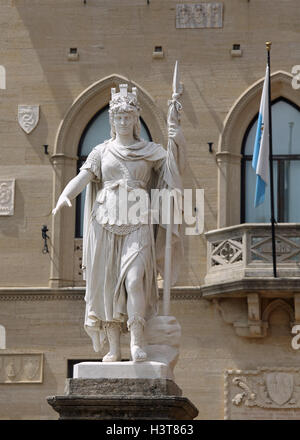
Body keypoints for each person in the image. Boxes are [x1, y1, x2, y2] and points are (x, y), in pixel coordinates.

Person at [52, 84, 185, 362]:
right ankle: (115, 348)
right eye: (118, 117)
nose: (123, 122)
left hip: (138, 221)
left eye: (128, 117)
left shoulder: (150, 150)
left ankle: (137, 340)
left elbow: (173, 169)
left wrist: (177, 139)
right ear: (112, 121)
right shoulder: (101, 152)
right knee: (108, 285)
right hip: (105, 221)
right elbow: (83, 177)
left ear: (135, 120)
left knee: (135, 280)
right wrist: (65, 195)